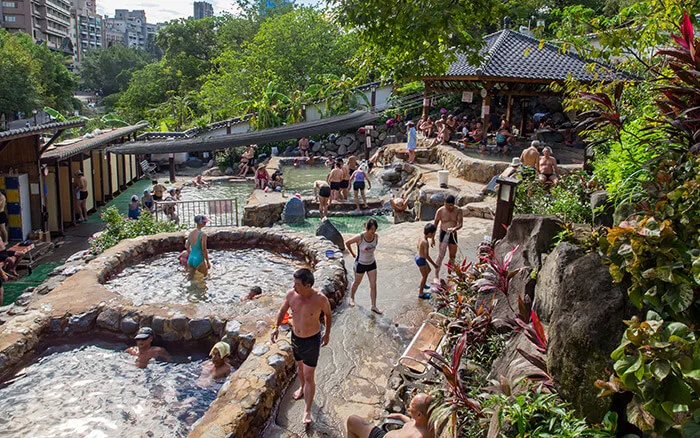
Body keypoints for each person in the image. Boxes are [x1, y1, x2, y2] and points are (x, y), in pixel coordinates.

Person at [271, 268, 332, 425]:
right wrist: (275, 328)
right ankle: (302, 388)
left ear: (308, 285)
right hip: (296, 337)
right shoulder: (291, 295)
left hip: (312, 340)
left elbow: (328, 314)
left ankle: (307, 410)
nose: (293, 286)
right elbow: (282, 310)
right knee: (299, 367)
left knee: (308, 375)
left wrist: (327, 333)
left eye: (297, 284)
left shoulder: (320, 299)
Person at [346, 393, 434, 438]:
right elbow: (411, 422)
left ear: (419, 414)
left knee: (352, 422)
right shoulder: (421, 421)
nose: (409, 406)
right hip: (385, 435)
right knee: (353, 420)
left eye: (412, 405)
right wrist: (401, 416)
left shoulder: (420, 436)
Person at [345, 218, 381, 314]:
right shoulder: (360, 237)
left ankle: (374, 306)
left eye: (375, 229)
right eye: (371, 229)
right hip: (360, 263)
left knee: (373, 285)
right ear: (367, 228)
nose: (373, 231)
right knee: (356, 283)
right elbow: (347, 242)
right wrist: (353, 254)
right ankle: (352, 298)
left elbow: (373, 247)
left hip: (371, 263)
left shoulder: (376, 236)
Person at [433, 195, 463, 280]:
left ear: (454, 204)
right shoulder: (440, 211)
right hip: (443, 233)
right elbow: (435, 225)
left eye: (451, 206)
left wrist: (455, 228)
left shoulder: (458, 210)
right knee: (441, 255)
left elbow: (460, 224)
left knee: (452, 256)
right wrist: (432, 239)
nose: (449, 208)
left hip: (452, 234)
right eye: (447, 205)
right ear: (444, 204)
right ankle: (436, 274)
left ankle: (449, 274)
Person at [416, 224, 438, 299]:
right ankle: (421, 293)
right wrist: (434, 264)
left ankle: (423, 284)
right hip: (421, 259)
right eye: (433, 234)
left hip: (418, 257)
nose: (433, 236)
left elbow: (417, 246)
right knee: (424, 276)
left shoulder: (421, 237)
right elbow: (427, 256)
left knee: (428, 270)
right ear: (429, 234)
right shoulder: (425, 242)